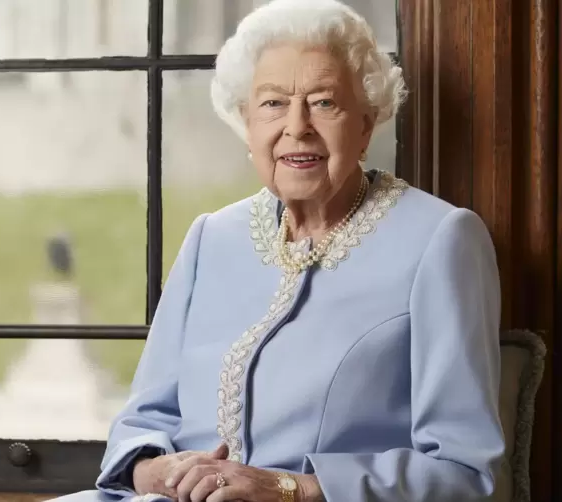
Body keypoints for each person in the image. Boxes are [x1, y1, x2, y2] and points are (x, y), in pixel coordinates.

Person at [51, 0, 506, 500]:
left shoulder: (440, 240)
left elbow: (465, 473)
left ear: (365, 124)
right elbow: (142, 421)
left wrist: (288, 487)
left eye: (324, 102)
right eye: (271, 103)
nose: (296, 126)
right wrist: (154, 473)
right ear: (247, 124)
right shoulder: (211, 238)